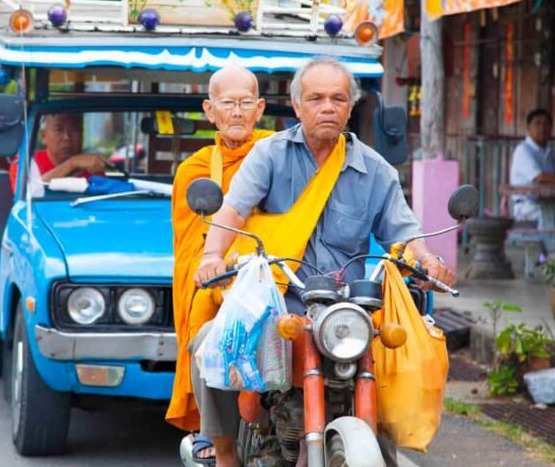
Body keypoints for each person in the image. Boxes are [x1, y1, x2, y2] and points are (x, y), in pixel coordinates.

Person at [191, 57, 455, 467]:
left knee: (412, 351)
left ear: (351, 106)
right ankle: (225, 455)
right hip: (278, 306)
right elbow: (233, 211)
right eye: (316, 98)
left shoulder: (376, 171)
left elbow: (405, 234)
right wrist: (211, 256)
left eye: (337, 98)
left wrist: (428, 261)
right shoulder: (269, 156)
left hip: (350, 312)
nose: (327, 107)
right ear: (297, 106)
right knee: (208, 342)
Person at [165, 65, 270, 462]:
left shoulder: (277, 152)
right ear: (210, 111)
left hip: (272, 267)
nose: (238, 112)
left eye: (246, 103)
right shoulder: (194, 170)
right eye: (229, 104)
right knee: (205, 314)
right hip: (224, 276)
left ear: (260, 108)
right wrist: (216, 264)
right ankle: (216, 436)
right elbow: (192, 246)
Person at [8, 113, 107, 192]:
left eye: (73, 129)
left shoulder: (92, 166)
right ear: (43, 136)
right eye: (58, 130)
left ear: (82, 134)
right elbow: (28, 194)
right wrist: (71, 164)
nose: (66, 137)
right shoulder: (25, 163)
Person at [509, 108, 555, 223]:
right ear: (528, 128)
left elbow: (553, 179)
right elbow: (540, 177)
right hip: (526, 206)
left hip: (546, 204)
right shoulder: (523, 150)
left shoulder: (550, 152)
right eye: (537, 124)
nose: (542, 128)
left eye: (546, 124)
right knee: (553, 218)